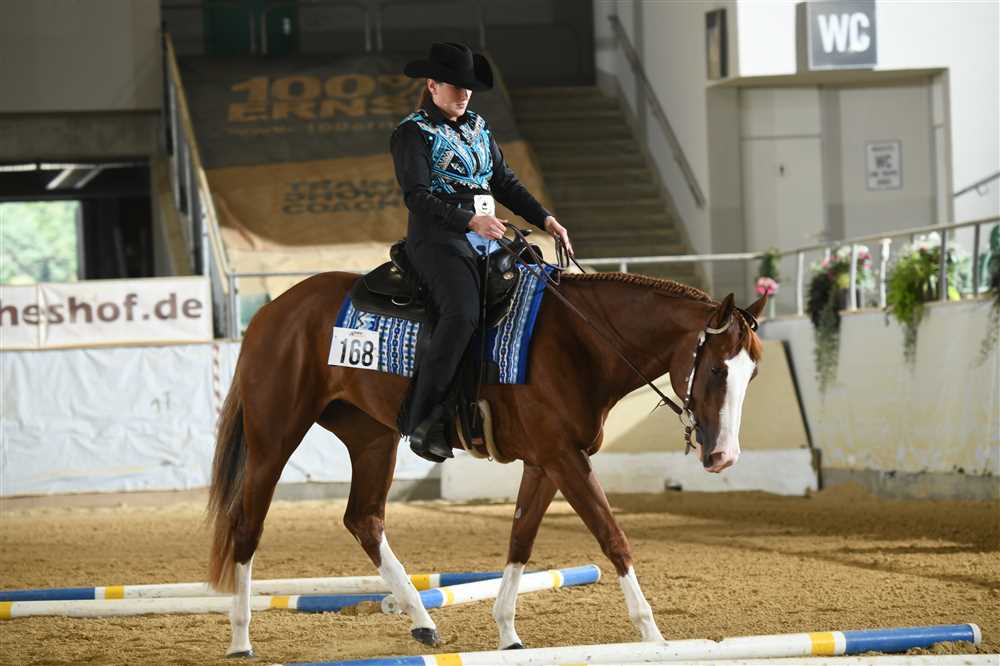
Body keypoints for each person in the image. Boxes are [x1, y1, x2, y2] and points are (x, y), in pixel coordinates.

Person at [391, 42, 572, 463]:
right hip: (437, 240)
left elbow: (504, 183)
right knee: (462, 314)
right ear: (432, 85)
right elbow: (416, 197)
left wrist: (546, 218)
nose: (464, 93)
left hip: (486, 235)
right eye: (455, 85)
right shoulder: (412, 133)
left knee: (538, 290)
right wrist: (469, 220)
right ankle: (423, 418)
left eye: (468, 86)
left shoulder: (478, 126)